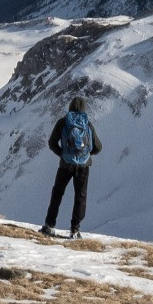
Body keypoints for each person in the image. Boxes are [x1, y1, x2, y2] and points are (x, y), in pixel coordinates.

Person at [41, 96, 101, 239]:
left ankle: (49, 225)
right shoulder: (87, 124)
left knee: (57, 193)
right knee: (80, 196)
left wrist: (62, 153)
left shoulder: (63, 122)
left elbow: (51, 143)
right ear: (84, 109)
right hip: (83, 166)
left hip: (65, 164)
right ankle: (75, 230)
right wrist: (87, 154)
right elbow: (98, 147)